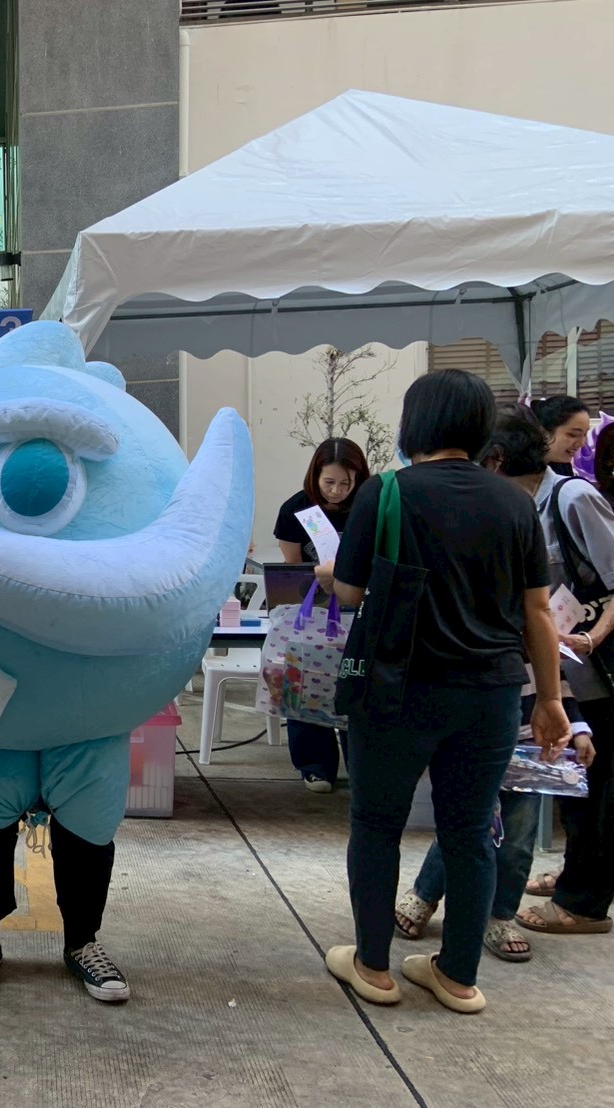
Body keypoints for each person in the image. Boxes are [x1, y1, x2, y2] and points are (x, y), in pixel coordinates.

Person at [321, 369, 569, 1014]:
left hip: (396, 689)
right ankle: (458, 977)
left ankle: (373, 968)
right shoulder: (514, 502)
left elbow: (349, 591)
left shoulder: (386, 492)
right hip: (491, 695)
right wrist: (550, 701)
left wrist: (334, 570)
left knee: (376, 825)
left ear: (415, 423)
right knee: (470, 832)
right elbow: (537, 611)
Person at [395, 409, 598, 961]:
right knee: (470, 819)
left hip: (527, 719)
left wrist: (570, 715)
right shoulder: (465, 542)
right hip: (478, 705)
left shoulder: (524, 550)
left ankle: (498, 914)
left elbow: (549, 650)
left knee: (517, 826)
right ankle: (425, 894)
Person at [513, 406, 614, 939]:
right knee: (578, 780)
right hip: (565, 666)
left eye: (581, 434)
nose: (577, 444)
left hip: (596, 665)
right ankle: (576, 874)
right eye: (571, 434)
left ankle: (585, 902)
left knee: (599, 786)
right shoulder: (524, 502)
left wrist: (594, 637)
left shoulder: (573, 497)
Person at [273, 437, 370, 791]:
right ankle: (314, 764)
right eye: (329, 482)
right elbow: (292, 569)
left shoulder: (368, 507)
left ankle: (360, 763)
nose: (337, 491)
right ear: (315, 476)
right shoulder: (295, 510)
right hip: (312, 613)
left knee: (355, 686)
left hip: (359, 611)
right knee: (307, 682)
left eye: (346, 483)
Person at [532, 394, 591, 476]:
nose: (582, 443)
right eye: (573, 435)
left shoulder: (563, 467)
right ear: (543, 432)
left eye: (585, 434)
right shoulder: (519, 473)